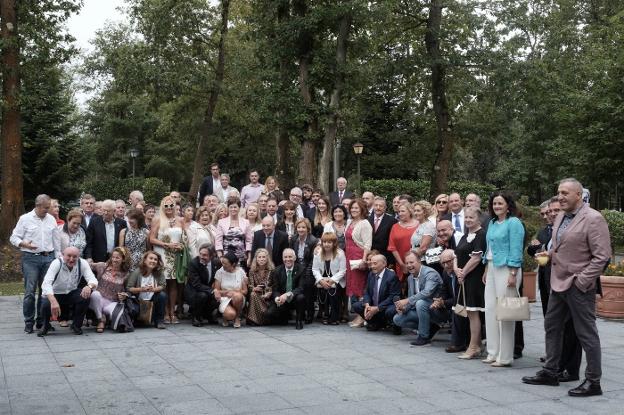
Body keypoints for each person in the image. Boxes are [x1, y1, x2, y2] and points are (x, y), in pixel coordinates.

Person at [522, 178, 611, 397]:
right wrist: (549, 254)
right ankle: (551, 371)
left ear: (579, 195)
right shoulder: (561, 215)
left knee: (586, 334)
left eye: (565, 193)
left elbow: (602, 257)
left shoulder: (594, 219)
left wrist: (582, 281)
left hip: (579, 286)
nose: (560, 197)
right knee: (552, 327)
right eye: (559, 192)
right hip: (557, 282)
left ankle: (593, 381)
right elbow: (561, 245)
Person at [482, 191, 525, 367]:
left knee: (505, 313)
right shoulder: (491, 223)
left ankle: (505, 356)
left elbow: (516, 248)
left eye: (500, 203)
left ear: (508, 206)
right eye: (494, 203)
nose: (497, 206)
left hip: (507, 268)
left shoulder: (514, 223)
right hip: (492, 267)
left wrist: (513, 273)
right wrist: (486, 268)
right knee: (490, 309)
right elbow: (489, 248)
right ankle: (493, 352)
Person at [10, 194, 61, 333]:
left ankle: (42, 321)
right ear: (37, 206)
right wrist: (23, 243)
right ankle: (29, 321)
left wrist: (58, 259)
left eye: (49, 207)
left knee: (45, 291)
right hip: (30, 259)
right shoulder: (25, 219)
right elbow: (13, 237)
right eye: (46, 207)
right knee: (30, 292)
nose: (48, 210)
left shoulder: (51, 219)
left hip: (48, 258)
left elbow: (56, 241)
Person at [38, 247, 98, 336]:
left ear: (78, 256)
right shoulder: (56, 263)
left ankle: (76, 325)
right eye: (68, 256)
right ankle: (46, 325)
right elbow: (46, 284)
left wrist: (89, 286)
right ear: (63, 255)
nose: (71, 259)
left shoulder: (83, 263)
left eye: (75, 257)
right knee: (46, 303)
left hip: (71, 292)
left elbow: (93, 280)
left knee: (85, 296)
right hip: (55, 293)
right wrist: (53, 301)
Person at [454, 206, 487, 359]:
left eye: (471, 218)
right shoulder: (464, 235)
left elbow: (476, 258)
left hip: (474, 279)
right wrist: (457, 270)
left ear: (478, 219)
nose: (467, 220)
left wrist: (463, 272)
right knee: (468, 312)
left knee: (473, 313)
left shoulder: (481, 235)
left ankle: (473, 346)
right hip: (463, 278)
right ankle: (477, 344)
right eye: (466, 217)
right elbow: (456, 255)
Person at [393, 252, 447, 343]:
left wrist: (407, 300)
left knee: (420, 303)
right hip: (422, 310)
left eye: (411, 262)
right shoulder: (410, 278)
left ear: (419, 261)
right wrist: (403, 308)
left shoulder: (430, 273)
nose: (409, 265)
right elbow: (411, 299)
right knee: (397, 319)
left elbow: (427, 292)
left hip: (438, 310)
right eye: (407, 263)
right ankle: (432, 327)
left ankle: (423, 336)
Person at [150, 195, 185, 324]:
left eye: (171, 205)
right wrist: (166, 245)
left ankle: (172, 312)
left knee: (174, 284)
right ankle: (165, 312)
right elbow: (152, 239)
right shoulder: (157, 220)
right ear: (162, 207)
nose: (169, 208)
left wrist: (182, 245)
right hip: (162, 254)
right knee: (163, 284)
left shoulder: (180, 220)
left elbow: (184, 237)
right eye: (166, 205)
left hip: (175, 255)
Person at [352, 254, 400, 332]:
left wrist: (377, 308)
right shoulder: (371, 274)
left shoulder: (391, 276)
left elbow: (393, 297)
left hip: (386, 306)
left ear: (384, 264)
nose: (372, 266)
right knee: (357, 305)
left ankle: (393, 323)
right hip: (373, 305)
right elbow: (367, 291)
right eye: (371, 264)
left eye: (375, 263)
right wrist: (367, 304)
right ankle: (375, 323)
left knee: (391, 310)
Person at [344, 199, 373, 328]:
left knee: (360, 287)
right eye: (352, 208)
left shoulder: (365, 223)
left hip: (358, 257)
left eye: (356, 208)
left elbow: (367, 244)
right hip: (348, 256)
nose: (354, 210)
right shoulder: (349, 222)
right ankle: (358, 314)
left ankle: (362, 316)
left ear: (362, 209)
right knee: (352, 286)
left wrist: (364, 259)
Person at [89, 247, 132, 333]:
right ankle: (100, 320)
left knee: (118, 318)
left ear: (123, 259)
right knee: (95, 294)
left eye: (117, 257)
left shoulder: (126, 274)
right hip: (98, 300)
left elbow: (128, 290)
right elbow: (87, 266)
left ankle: (106, 317)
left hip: (112, 302)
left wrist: (124, 295)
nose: (114, 260)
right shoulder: (103, 266)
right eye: (113, 257)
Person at [126, 250, 167, 328]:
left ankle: (159, 321)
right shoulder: (137, 272)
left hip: (152, 300)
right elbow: (129, 288)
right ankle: (137, 319)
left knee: (162, 295)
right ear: (145, 260)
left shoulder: (159, 272)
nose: (153, 261)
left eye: (155, 259)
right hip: (138, 300)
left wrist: (154, 289)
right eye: (151, 258)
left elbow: (163, 285)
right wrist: (141, 289)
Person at [266, 249, 306, 329]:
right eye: (285, 257)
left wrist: (288, 294)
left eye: (290, 257)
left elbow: (301, 288)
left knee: (301, 297)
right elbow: (275, 289)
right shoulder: (277, 270)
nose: (288, 259)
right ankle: (285, 316)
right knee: (269, 314)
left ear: (294, 258)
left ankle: (299, 320)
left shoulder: (301, 269)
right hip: (282, 300)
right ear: (282, 258)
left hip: (295, 298)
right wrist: (277, 298)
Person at [528, 199, 555, 316]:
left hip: (556, 277)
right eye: (542, 214)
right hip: (543, 276)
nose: (545, 216)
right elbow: (532, 250)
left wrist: (541, 247)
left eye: (547, 212)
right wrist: (534, 248)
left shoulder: (563, 230)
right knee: (547, 313)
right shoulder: (543, 231)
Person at [439, 249, 469, 353]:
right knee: (430, 308)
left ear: (455, 260)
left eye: (449, 261)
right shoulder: (445, 272)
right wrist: (440, 300)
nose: (446, 265)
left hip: (464, 302)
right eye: (443, 263)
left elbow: (460, 297)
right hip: (452, 304)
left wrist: (445, 302)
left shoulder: (459, 271)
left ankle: (457, 343)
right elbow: (444, 291)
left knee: (457, 309)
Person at [289, 218, 319, 323]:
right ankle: (300, 314)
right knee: (298, 291)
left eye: (303, 227)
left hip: (309, 268)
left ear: (308, 229)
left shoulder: (313, 240)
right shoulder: (293, 239)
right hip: (297, 268)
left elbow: (313, 260)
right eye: (299, 227)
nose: (301, 229)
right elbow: (291, 255)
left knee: (308, 291)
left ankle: (310, 314)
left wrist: (307, 273)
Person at [185, 244, 220, 327]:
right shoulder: (194, 263)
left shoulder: (216, 262)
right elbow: (196, 284)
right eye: (200, 254)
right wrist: (213, 291)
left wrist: (217, 290)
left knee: (218, 297)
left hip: (207, 289)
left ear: (212, 256)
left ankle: (207, 315)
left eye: (204, 255)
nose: (201, 257)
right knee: (203, 295)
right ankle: (195, 317)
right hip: (194, 291)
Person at [215, 196, 253, 267]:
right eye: (231, 207)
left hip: (241, 258)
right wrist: (220, 257)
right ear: (228, 208)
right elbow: (218, 241)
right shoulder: (221, 222)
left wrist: (249, 257)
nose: (233, 209)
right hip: (226, 258)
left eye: (235, 207)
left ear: (239, 208)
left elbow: (249, 241)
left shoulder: (246, 222)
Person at [214, 252, 248, 328]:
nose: (223, 265)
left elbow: (245, 291)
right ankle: (226, 316)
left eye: (225, 264)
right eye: (222, 263)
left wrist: (233, 293)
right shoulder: (220, 272)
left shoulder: (241, 272)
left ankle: (237, 317)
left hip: (238, 299)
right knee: (230, 315)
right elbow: (216, 290)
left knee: (238, 296)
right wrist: (226, 293)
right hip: (224, 298)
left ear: (233, 264)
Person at [388, 201, 419, 282]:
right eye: (399, 212)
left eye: (403, 211)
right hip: (401, 263)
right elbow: (392, 247)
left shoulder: (419, 224)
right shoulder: (395, 227)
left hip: (417, 262)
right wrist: (402, 264)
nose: (400, 214)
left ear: (410, 211)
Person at [246, 248, 274, 326]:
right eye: (259, 257)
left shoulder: (272, 270)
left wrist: (270, 292)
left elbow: (274, 285)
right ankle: (256, 319)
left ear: (267, 259)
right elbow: (250, 285)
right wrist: (254, 288)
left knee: (253, 295)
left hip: (268, 295)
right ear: (256, 259)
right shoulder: (252, 271)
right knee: (253, 294)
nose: (261, 259)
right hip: (257, 294)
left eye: (263, 257)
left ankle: (255, 320)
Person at [368, 197, 397, 267]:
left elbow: (392, 242)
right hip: (369, 257)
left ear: (385, 208)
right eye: (376, 205)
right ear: (373, 206)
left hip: (385, 258)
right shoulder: (367, 219)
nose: (378, 208)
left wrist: (391, 261)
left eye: (381, 206)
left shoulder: (392, 221)